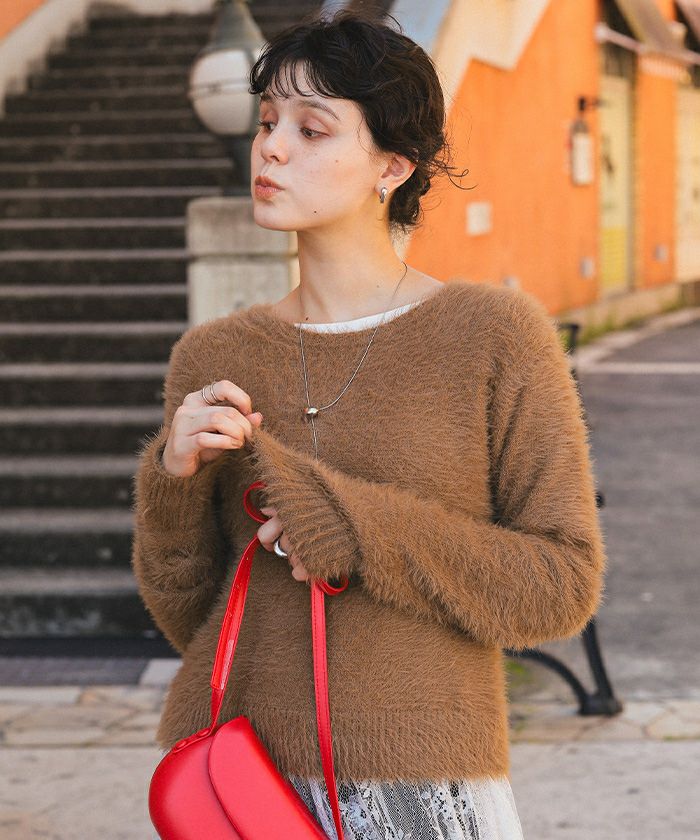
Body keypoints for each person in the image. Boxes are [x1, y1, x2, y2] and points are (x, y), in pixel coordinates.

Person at [134, 10, 607, 840]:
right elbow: (191, 617)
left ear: (393, 165)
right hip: (244, 788)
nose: (272, 149)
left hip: (424, 787)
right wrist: (171, 483)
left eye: (311, 129)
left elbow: (560, 585)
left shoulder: (493, 335)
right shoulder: (212, 356)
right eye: (268, 122)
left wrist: (351, 527)